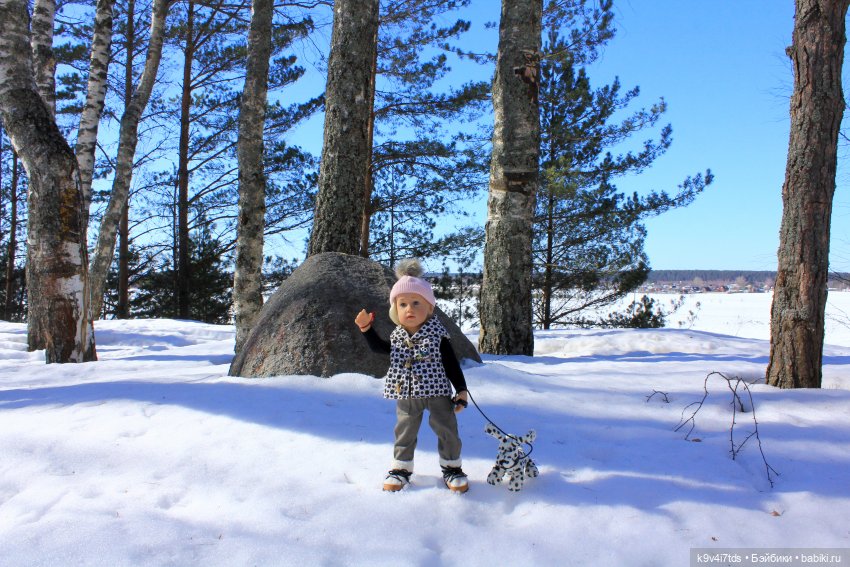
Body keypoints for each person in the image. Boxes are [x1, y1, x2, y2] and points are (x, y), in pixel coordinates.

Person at [355, 259, 470, 493]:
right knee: (405, 431)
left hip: (437, 391)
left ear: (429, 307)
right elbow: (381, 348)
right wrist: (367, 330)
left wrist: (461, 390)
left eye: (416, 303)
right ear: (395, 309)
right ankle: (401, 468)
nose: (409, 309)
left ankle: (452, 467)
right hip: (406, 392)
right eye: (403, 304)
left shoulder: (438, 336)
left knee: (446, 429)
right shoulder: (398, 337)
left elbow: (451, 364)